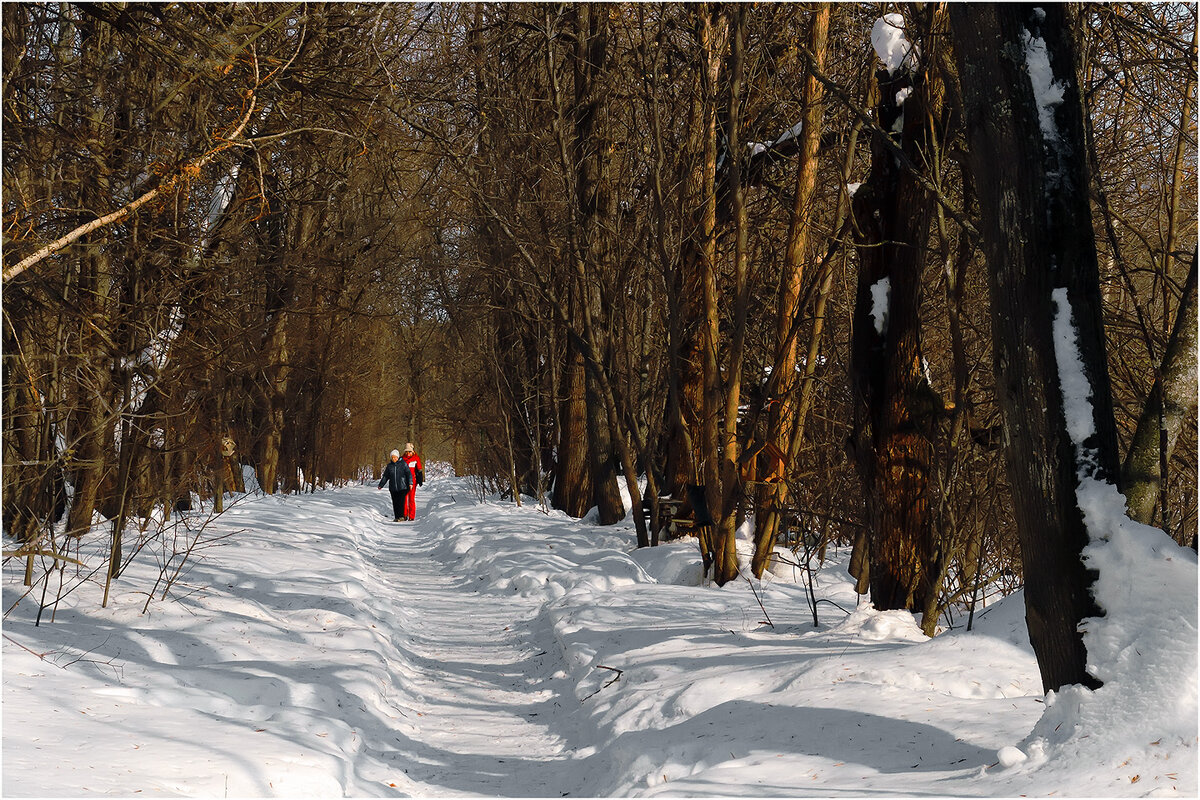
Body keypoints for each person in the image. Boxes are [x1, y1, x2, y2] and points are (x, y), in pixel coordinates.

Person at [377, 449, 411, 522]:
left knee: (401, 502)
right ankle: (397, 517)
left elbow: (409, 474)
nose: (394, 459)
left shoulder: (403, 464)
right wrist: (381, 485)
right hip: (393, 487)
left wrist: (410, 483)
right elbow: (385, 476)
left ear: (398, 457)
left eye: (395, 457)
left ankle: (401, 517)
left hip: (402, 486)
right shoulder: (389, 466)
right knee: (395, 502)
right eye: (392, 457)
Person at [400, 442, 424, 521]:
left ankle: (411, 516)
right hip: (403, 481)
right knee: (404, 498)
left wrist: (420, 479)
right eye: (407, 452)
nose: (408, 453)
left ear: (413, 451)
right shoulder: (402, 459)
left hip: (413, 481)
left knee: (411, 498)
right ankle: (404, 515)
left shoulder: (416, 458)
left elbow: (419, 469)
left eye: (409, 451)